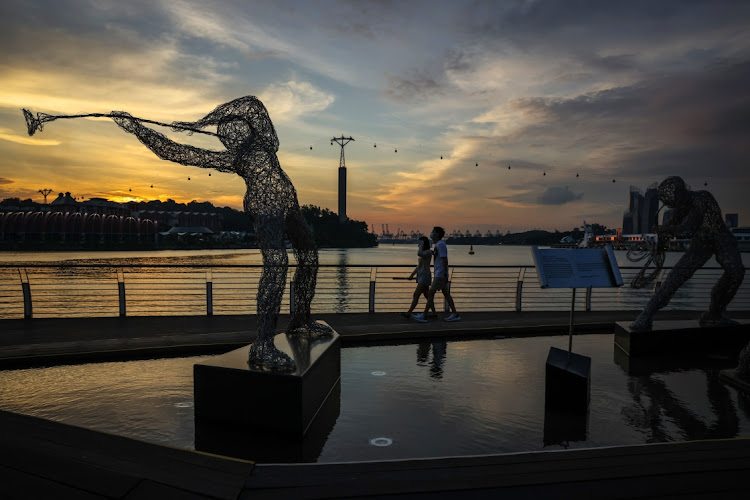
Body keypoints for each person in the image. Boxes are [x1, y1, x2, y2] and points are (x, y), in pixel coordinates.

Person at [111, 96, 332, 371]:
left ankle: (300, 320)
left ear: (248, 130)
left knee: (309, 255)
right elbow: (175, 151)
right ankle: (262, 344)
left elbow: (253, 105)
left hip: (289, 204)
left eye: (235, 130)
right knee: (277, 265)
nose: (232, 136)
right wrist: (137, 129)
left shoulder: (267, 143)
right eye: (226, 135)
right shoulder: (235, 159)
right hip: (264, 207)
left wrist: (203, 121)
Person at [630, 176, 745, 331]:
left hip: (721, 238)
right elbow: (675, 224)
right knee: (675, 277)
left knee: (736, 272)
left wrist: (664, 230)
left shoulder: (702, 198)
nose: (677, 207)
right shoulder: (682, 205)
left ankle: (715, 313)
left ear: (682, 194)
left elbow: (687, 228)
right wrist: (664, 232)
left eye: (676, 202)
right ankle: (646, 315)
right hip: (701, 243)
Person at [412, 226, 461, 322]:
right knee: (446, 294)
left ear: (437, 234)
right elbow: (438, 255)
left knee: (430, 293)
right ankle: (455, 314)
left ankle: (424, 315)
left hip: (440, 274)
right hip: (440, 273)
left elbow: (445, 259)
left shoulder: (440, 244)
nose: (431, 233)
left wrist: (445, 274)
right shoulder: (439, 244)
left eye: (433, 232)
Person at [401, 236, 437, 318]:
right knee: (427, 296)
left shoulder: (427, 252)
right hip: (421, 276)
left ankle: (409, 313)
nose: (418, 244)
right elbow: (419, 266)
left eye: (420, 242)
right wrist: (411, 275)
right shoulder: (425, 252)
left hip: (425, 276)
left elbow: (419, 253)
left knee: (416, 295)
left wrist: (421, 245)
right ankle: (434, 313)